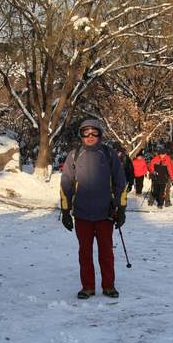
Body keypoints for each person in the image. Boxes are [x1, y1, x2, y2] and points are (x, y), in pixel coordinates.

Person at [60, 118, 127, 299]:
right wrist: (65, 211)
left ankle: (108, 285)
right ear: (81, 135)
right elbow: (66, 183)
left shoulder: (109, 153)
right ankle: (88, 287)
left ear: (100, 134)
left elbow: (120, 181)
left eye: (94, 133)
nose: (90, 136)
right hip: (82, 214)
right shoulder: (74, 155)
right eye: (85, 133)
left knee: (106, 253)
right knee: (85, 253)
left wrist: (121, 208)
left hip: (105, 213)